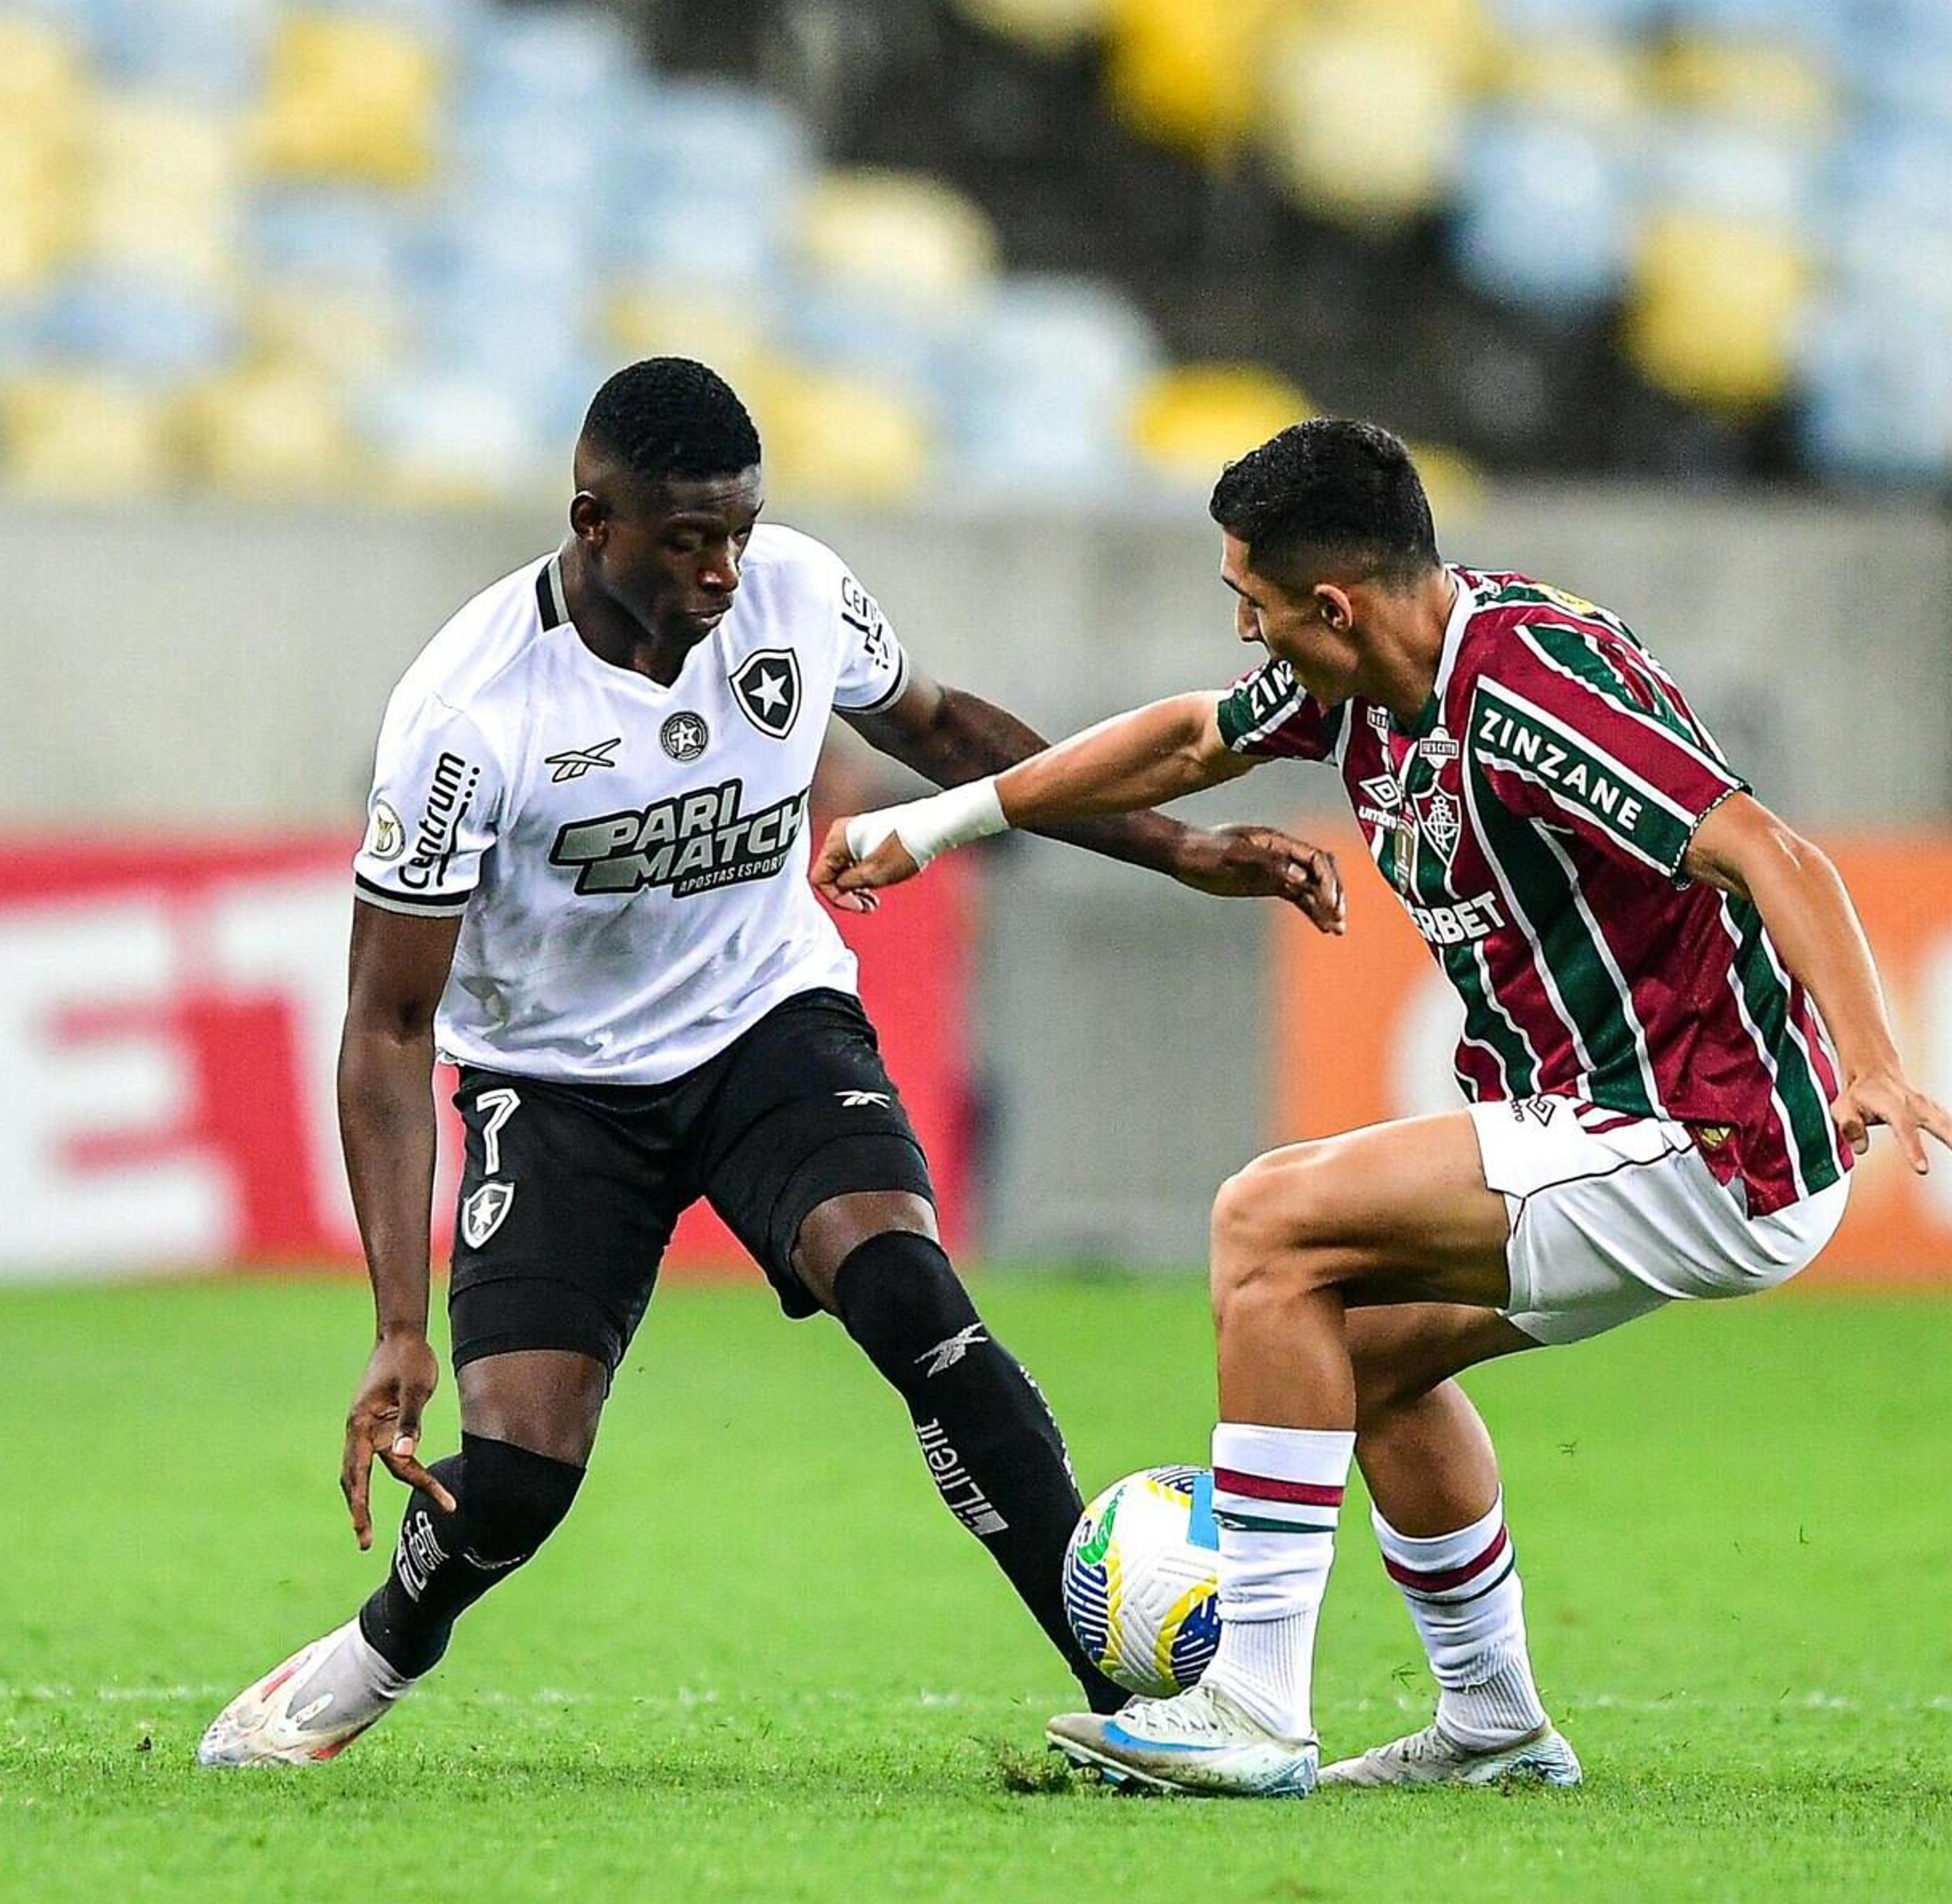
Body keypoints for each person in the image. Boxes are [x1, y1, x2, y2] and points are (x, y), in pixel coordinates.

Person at [816, 417, 1952, 1797]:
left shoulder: (1535, 688)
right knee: (1350, 1346)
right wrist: (937, 823)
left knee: (1267, 1221)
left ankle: (1254, 1703)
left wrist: (1870, 1057)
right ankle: (1496, 1721)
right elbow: (1191, 740)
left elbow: (1765, 847)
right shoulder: (1367, 675)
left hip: (1696, 1130)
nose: (1247, 640)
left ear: (1334, 603)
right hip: (1614, 1120)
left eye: (1252, 609)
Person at [197, 358, 1343, 1766]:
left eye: (739, 529)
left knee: (915, 1301)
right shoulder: (467, 712)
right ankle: (379, 1652)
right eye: (688, 539)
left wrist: (1182, 848)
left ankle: (1150, 1713)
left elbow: (942, 733)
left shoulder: (796, 592)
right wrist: (394, 1324)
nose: (725, 569)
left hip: (767, 1026)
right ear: (592, 520)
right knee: (515, 1478)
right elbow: (385, 1025)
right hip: (557, 1088)